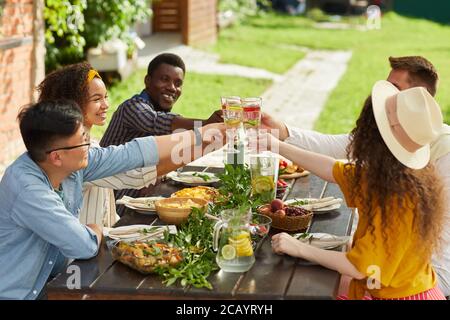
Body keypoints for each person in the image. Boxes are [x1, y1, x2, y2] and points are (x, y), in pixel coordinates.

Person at [262, 55, 450, 296]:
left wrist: (298, 248)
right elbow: (332, 169)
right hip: (389, 286)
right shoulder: (397, 174)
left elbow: (362, 267)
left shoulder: (399, 197)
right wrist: (277, 144)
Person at [0, 100, 224, 299]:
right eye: (83, 140)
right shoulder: (28, 189)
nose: (90, 144)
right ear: (57, 156)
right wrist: (95, 229)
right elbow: (83, 245)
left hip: (54, 283)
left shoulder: (68, 162)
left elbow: (131, 153)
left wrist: (203, 135)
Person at [99, 53, 223, 214]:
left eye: (178, 83)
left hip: (138, 192)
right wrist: (206, 125)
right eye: (164, 79)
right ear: (147, 81)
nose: (172, 87)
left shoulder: (157, 108)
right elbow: (156, 122)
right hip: (111, 200)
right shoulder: (132, 108)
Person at [37, 62, 157, 227]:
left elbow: (105, 208)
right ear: (74, 103)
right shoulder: (77, 153)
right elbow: (134, 174)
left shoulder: (90, 143)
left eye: (105, 96)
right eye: (96, 99)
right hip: (83, 247)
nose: (106, 105)